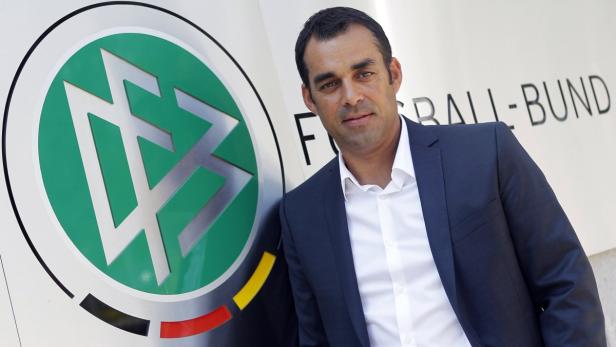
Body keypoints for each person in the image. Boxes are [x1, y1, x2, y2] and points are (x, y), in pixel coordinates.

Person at [279, 6, 606, 347]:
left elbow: (566, 283)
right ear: (309, 99)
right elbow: (314, 339)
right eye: (330, 84)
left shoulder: (485, 154)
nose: (351, 97)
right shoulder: (301, 215)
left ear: (394, 74)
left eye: (364, 74)